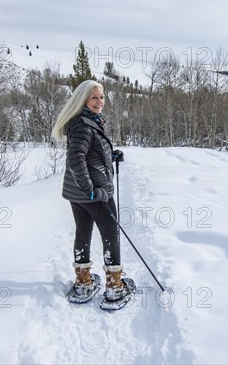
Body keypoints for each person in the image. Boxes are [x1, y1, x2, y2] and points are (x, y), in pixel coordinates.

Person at [51, 80, 132, 304]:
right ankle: (115, 286)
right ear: (83, 99)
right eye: (94, 97)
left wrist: (111, 155)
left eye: (102, 97)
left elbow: (87, 154)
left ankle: (84, 281)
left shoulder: (86, 122)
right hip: (94, 193)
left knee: (83, 233)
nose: (99, 102)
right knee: (111, 235)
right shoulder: (83, 125)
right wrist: (91, 191)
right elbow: (75, 160)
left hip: (79, 193)